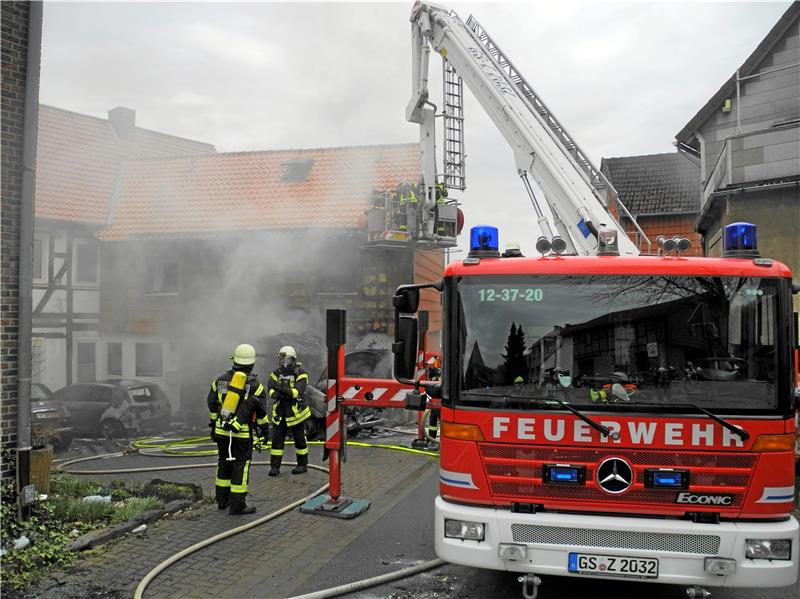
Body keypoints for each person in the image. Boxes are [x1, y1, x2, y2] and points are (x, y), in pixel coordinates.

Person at [207, 343, 269, 515]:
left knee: (224, 464)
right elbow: (261, 412)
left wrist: (213, 426)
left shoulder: (220, 380)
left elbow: (211, 403)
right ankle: (238, 505)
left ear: (234, 360)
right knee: (240, 467)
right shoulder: (256, 386)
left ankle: (222, 501)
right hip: (241, 434)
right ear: (252, 363)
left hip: (221, 432)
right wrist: (264, 430)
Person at [267, 346, 311, 476]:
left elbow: (297, 391)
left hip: (296, 412)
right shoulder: (276, 373)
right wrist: (274, 394)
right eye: (281, 359)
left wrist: (281, 390)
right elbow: (269, 388)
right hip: (280, 411)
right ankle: (274, 467)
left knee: (299, 439)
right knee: (277, 440)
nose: (283, 362)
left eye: (286, 359)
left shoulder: (301, 373)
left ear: (292, 359)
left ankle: (302, 465)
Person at [425, 356, 441, 441]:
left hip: (441, 400)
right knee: (433, 418)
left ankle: (432, 439)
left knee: (434, 418)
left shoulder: (438, 372)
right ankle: (431, 439)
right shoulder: (435, 372)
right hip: (436, 400)